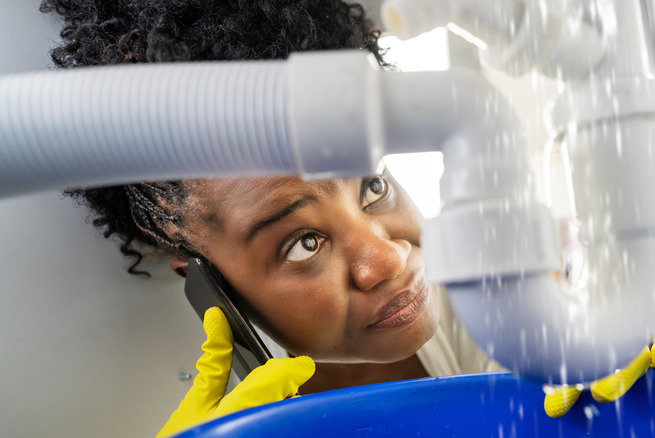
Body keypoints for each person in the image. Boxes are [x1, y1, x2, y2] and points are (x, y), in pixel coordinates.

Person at [39, 0, 505, 434]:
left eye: (373, 186)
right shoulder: (220, 414)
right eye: (304, 243)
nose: (387, 259)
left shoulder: (491, 300)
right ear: (209, 281)